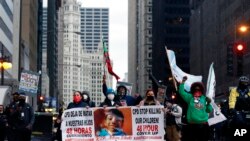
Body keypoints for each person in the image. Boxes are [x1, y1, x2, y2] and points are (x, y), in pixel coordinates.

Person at [178, 76, 213, 141]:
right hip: (192, 126)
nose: (197, 90)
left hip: (203, 126)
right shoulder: (190, 97)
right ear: (193, 89)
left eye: (199, 89)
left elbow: (209, 110)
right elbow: (182, 92)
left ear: (201, 90)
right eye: (195, 89)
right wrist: (182, 83)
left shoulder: (204, 99)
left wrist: (208, 103)